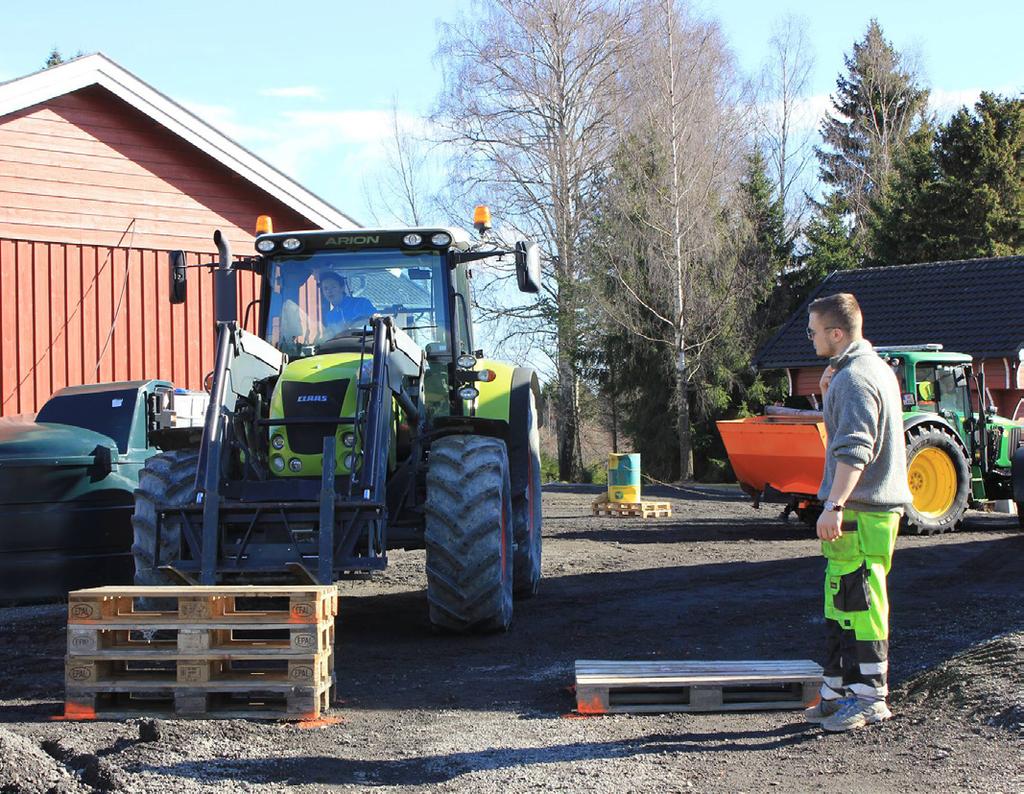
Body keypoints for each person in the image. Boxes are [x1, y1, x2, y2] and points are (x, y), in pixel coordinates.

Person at [802, 292, 913, 732]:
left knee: (862, 602)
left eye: (813, 332)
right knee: (842, 603)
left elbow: (855, 451)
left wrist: (834, 504)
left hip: (863, 513)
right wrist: (829, 396)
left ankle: (870, 698)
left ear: (835, 333)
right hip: (858, 514)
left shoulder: (857, 378)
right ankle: (837, 693)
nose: (809, 339)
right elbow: (847, 435)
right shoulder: (853, 374)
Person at [319, 272, 376, 337]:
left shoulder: (362, 303)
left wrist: (354, 325)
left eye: (333, 287)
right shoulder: (330, 315)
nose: (329, 291)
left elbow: (376, 323)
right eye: (325, 288)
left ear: (342, 288)